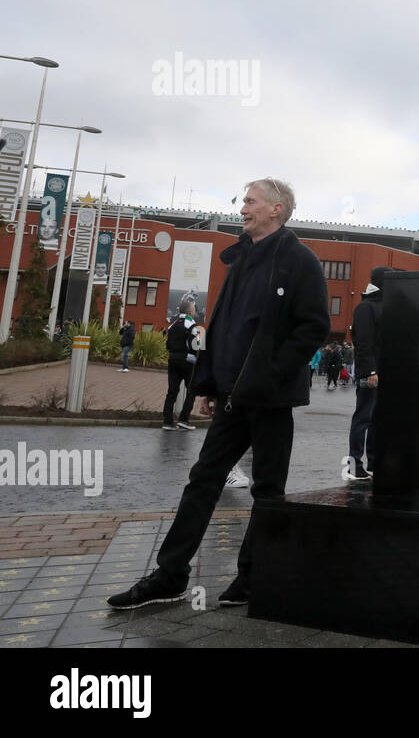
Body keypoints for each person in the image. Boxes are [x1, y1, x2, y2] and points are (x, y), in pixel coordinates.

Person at [108, 177, 328, 610]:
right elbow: (223, 328)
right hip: (232, 396)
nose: (241, 207)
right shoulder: (242, 258)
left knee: (267, 490)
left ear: (276, 209)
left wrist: (273, 372)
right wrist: (209, 384)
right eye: (243, 201)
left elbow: (314, 326)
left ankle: (253, 576)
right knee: (202, 481)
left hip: (272, 398)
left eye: (250, 201)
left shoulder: (299, 260)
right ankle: (171, 575)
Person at [345, 267, 390, 481]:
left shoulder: (380, 305)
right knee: (363, 418)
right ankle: (354, 465)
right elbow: (363, 341)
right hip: (370, 373)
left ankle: (372, 462)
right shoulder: (365, 307)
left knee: (375, 420)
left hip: (379, 372)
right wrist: (371, 370)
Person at [161, 299, 199, 431]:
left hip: (172, 360)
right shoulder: (193, 325)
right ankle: (183, 419)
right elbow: (197, 346)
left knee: (172, 391)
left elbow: (167, 345)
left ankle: (167, 422)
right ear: (189, 311)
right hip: (188, 362)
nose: (195, 311)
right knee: (192, 390)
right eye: (194, 309)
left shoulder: (172, 325)